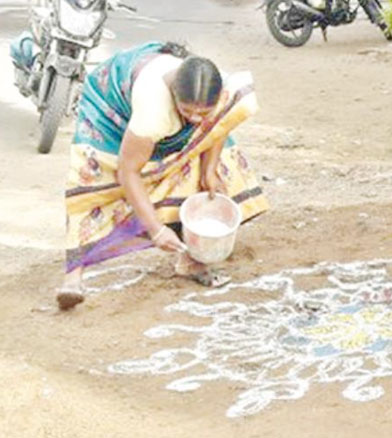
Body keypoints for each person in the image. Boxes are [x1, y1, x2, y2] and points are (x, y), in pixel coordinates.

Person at [57, 42, 269, 311]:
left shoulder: (218, 90)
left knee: (191, 169)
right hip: (110, 104)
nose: (194, 118)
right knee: (95, 183)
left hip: (155, 110)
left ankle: (190, 259)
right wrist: (156, 229)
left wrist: (209, 169)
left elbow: (217, 126)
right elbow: (128, 171)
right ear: (173, 94)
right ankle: (73, 277)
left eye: (202, 113)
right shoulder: (154, 108)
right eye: (187, 110)